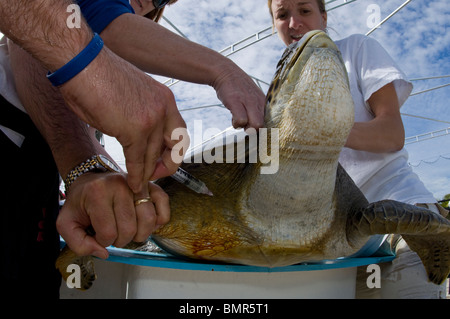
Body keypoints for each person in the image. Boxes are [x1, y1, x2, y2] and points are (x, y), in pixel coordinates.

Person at [0, 0, 266, 298]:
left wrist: (107, 179)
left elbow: (83, 133)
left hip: (42, 170)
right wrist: (224, 71)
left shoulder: (99, 59)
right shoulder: (82, 22)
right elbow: (101, 22)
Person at [268, 0, 448, 298]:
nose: (293, 23)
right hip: (344, 243)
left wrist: (321, 132)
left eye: (304, 10)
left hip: (401, 218)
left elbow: (392, 133)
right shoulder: (278, 94)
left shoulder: (355, 51)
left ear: (323, 17)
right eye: (282, 15)